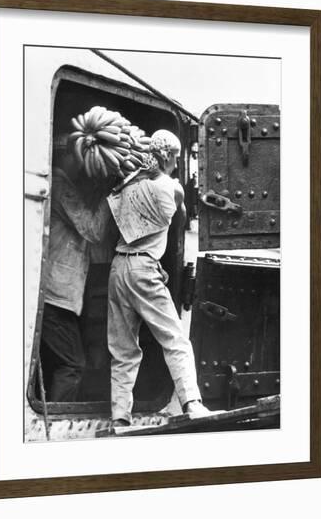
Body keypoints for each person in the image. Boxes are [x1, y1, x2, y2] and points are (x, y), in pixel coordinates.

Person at [106, 129, 213, 427]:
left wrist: (141, 174)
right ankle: (192, 403)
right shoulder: (171, 187)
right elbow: (177, 211)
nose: (178, 163)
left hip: (119, 267)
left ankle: (119, 416)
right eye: (176, 157)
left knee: (123, 349)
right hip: (143, 271)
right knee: (175, 339)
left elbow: (136, 228)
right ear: (166, 155)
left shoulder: (126, 186)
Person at [40, 138, 111, 402]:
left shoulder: (63, 188)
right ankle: (55, 425)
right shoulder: (60, 188)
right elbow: (93, 230)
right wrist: (111, 196)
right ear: (69, 157)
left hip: (60, 296)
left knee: (62, 362)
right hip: (55, 298)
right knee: (73, 365)